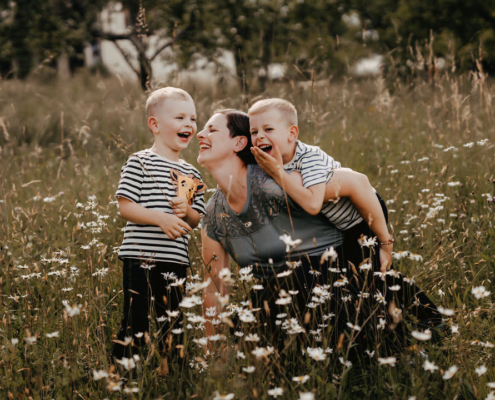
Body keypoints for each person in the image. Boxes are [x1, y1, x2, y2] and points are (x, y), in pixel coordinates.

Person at [198, 109, 439, 353]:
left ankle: (396, 327)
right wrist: (213, 353)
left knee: (296, 273)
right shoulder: (213, 216)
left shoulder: (281, 179)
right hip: (283, 299)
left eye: (211, 129)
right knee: (245, 323)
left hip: (336, 281)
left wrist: (383, 245)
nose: (200, 134)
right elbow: (213, 289)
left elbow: (358, 183)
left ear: (239, 142)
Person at [112, 87, 206, 362]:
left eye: (193, 118)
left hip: (176, 260)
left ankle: (174, 376)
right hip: (139, 256)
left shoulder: (191, 173)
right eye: (180, 118)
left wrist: (186, 211)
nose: (189, 124)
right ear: (154, 124)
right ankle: (122, 375)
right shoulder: (139, 162)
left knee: (173, 322)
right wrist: (161, 218)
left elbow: (195, 219)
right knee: (135, 320)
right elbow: (125, 207)